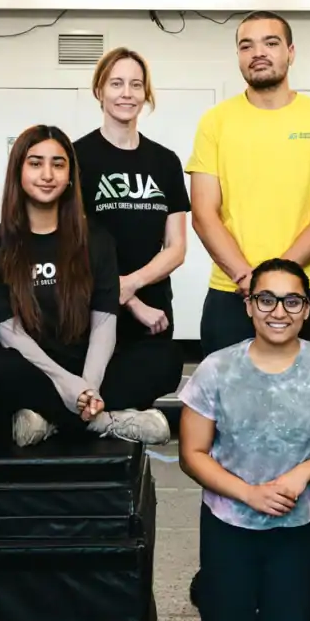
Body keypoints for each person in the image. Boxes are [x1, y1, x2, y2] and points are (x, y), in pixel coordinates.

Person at [178, 258, 310, 621]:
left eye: (292, 301)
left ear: (307, 309)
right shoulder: (217, 368)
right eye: (266, 300)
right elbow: (191, 454)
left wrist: (303, 473)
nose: (279, 312)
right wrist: (248, 494)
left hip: (297, 525)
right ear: (248, 305)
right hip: (228, 524)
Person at [0, 124, 173, 448]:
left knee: (166, 357)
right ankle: (105, 421)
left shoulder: (96, 239)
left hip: (90, 365)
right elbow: (10, 333)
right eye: (35, 163)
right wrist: (67, 386)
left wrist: (88, 384)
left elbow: (105, 321)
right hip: (34, 367)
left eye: (58, 164)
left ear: (70, 175)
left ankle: (45, 419)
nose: (47, 174)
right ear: (18, 171)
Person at [186, 10, 310, 356]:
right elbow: (204, 214)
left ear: (290, 53)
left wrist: (275, 282)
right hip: (232, 290)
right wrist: (248, 279)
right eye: (246, 46)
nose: (258, 53)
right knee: (228, 406)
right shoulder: (215, 122)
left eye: (271, 42)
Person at [73, 47, 188, 410]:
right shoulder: (78, 157)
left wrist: (133, 286)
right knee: (90, 370)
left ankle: (84, 416)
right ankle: (103, 419)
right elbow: (74, 242)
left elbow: (176, 247)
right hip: (91, 305)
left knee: (164, 368)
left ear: (146, 94)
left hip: (153, 312)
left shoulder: (165, 161)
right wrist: (128, 300)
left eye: (136, 85)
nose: (127, 93)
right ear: (99, 91)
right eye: (117, 83)